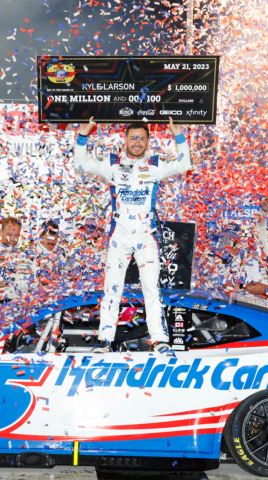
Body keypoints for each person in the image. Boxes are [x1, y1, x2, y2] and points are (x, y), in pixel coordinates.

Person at [74, 117, 192, 352]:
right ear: (125, 140)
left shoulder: (155, 165)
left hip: (146, 236)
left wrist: (179, 136)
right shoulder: (113, 164)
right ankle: (105, 340)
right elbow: (81, 165)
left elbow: (183, 165)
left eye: (141, 138)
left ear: (148, 141)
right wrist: (82, 136)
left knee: (151, 289)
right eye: (133, 138)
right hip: (120, 236)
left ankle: (159, 339)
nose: (137, 142)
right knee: (111, 288)